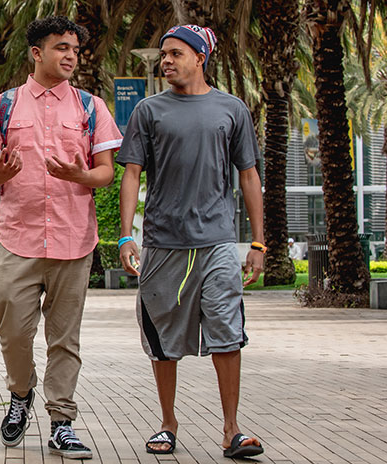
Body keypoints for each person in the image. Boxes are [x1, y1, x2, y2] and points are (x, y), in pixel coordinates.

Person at [0, 16, 122, 460]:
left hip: (74, 241)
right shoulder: (3, 106)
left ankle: (61, 423)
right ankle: (21, 393)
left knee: (65, 339)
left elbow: (106, 172)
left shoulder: (91, 108)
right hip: (16, 239)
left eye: (75, 48)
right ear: (36, 53)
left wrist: (83, 175)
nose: (71, 55)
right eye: (61, 47)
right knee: (14, 330)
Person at [116, 25, 265, 459]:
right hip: (163, 244)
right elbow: (131, 174)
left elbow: (249, 176)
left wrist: (257, 244)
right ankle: (167, 424)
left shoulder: (232, 109)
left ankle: (232, 430)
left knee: (227, 332)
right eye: (163, 54)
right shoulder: (148, 110)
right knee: (162, 338)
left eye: (176, 53)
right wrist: (127, 234)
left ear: (200, 57)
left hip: (218, 242)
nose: (166, 61)